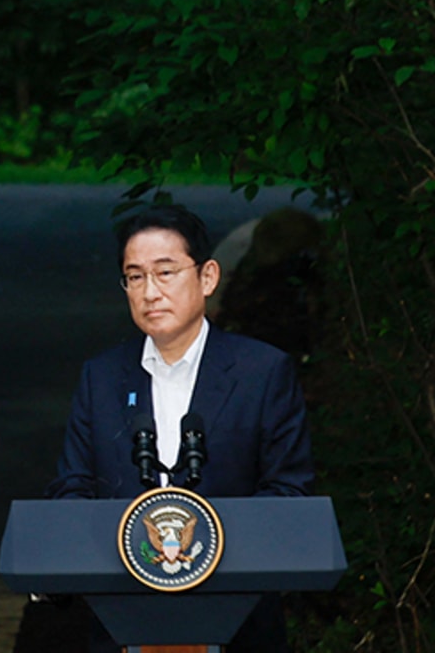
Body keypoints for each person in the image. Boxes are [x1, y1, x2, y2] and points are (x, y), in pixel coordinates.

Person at [48, 203, 312, 651]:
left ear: (207, 277)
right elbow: (73, 489)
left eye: (165, 272)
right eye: (135, 276)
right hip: (123, 624)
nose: (150, 291)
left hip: (235, 625)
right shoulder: (103, 377)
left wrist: (205, 556)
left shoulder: (262, 372)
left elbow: (289, 493)